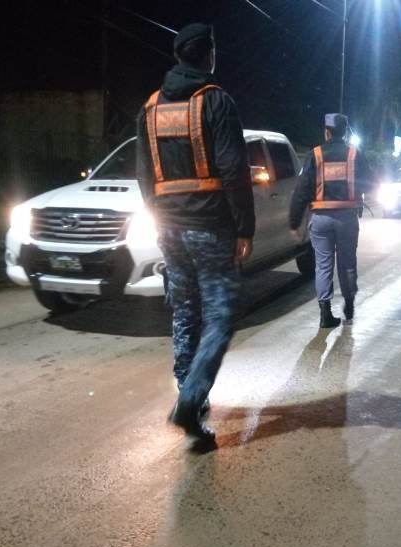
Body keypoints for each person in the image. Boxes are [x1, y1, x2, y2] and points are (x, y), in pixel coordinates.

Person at [136, 23, 255, 442]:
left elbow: (144, 176)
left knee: (185, 312)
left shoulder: (150, 108)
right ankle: (190, 400)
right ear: (209, 55)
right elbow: (234, 170)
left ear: (178, 56)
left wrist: (159, 218)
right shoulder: (216, 101)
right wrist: (244, 227)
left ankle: (190, 394)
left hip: (169, 229)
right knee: (220, 316)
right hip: (210, 227)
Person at [289, 114, 373, 328]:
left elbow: (301, 190)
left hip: (321, 219)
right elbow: (370, 183)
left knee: (323, 266)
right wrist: (356, 193)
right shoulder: (354, 154)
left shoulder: (315, 155)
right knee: (347, 264)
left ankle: (325, 314)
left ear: (326, 132)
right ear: (344, 132)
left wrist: (294, 221)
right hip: (347, 219)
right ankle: (349, 306)